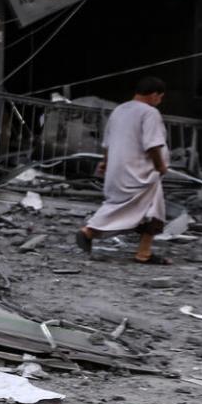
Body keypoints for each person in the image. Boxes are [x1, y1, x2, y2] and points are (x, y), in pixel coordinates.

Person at [78, 75, 171, 264]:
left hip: (118, 168)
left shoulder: (119, 110)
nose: (159, 102)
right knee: (153, 210)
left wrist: (105, 163)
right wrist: (160, 166)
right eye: (160, 98)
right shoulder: (149, 113)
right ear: (154, 95)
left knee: (122, 206)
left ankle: (142, 251)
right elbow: (153, 144)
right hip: (141, 172)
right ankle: (90, 231)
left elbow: (108, 143)